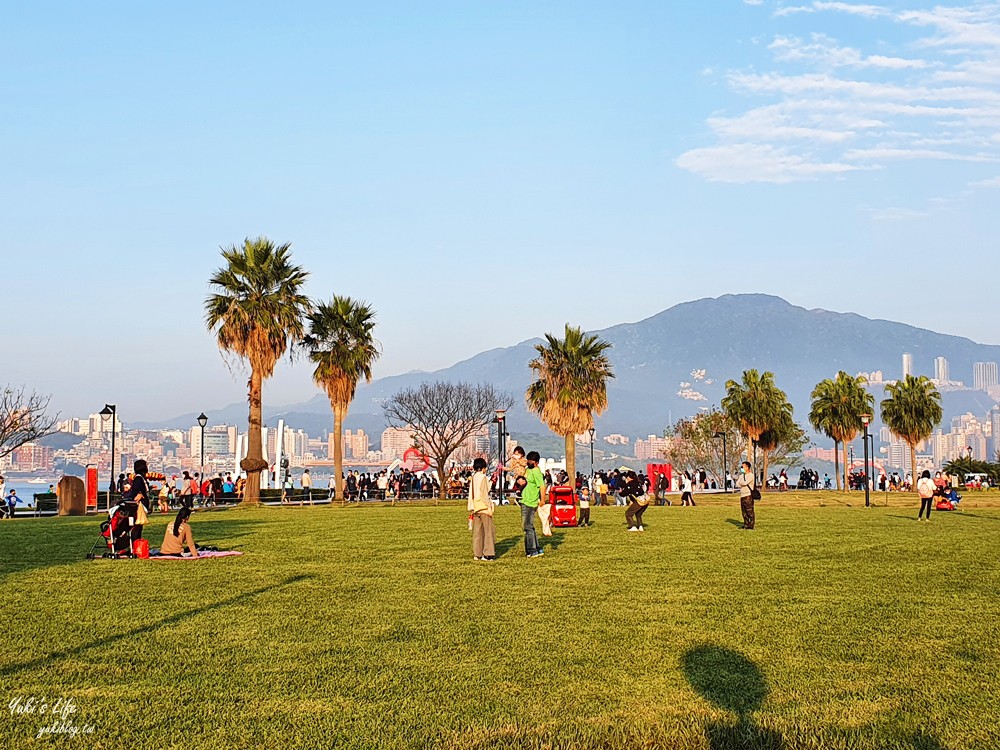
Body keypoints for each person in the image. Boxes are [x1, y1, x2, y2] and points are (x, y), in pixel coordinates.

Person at [467, 457, 495, 560]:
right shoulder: (483, 477)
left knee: (477, 532)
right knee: (488, 531)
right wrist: (488, 507)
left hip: (475, 507)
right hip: (483, 507)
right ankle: (488, 554)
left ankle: (477, 553)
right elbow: (484, 494)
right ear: (484, 468)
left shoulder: (473, 478)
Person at [521, 451, 545, 557]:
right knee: (529, 526)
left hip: (531, 502)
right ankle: (537, 548)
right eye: (528, 460)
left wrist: (543, 500)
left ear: (536, 462)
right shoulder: (527, 470)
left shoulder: (536, 472)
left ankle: (531, 550)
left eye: (531, 460)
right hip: (524, 500)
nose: (528, 462)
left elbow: (542, 486)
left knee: (527, 526)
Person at [736, 461, 756, 530]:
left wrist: (741, 482)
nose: (742, 468)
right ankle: (746, 524)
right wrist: (741, 483)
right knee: (744, 512)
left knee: (749, 511)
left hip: (748, 495)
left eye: (743, 466)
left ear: (747, 467)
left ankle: (751, 524)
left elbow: (745, 483)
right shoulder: (741, 476)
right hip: (742, 495)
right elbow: (737, 484)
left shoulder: (751, 475)